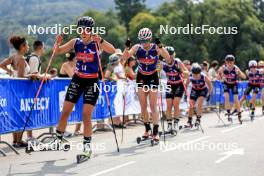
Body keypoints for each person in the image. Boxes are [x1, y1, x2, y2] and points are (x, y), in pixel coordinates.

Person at [53, 16, 116, 157]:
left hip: (92, 82)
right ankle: (58, 139)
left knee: (86, 115)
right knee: (65, 111)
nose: (83, 31)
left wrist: (100, 40)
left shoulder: (96, 42)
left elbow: (112, 50)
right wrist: (57, 43)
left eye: (86, 29)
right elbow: (57, 52)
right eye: (80, 29)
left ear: (91, 30)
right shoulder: (75, 42)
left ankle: (87, 147)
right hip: (77, 79)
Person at [123, 27, 171, 142]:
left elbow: (168, 59)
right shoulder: (137, 48)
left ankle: (155, 131)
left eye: (145, 41)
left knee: (153, 106)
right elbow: (124, 58)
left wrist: (161, 46)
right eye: (141, 40)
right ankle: (147, 129)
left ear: (150, 39)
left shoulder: (155, 48)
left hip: (153, 77)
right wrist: (127, 47)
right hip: (141, 77)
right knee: (143, 106)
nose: (143, 43)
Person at [0, 35, 30, 147]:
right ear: (22, 46)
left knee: (15, 113)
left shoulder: (13, 57)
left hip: (13, 88)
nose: (28, 47)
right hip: (20, 89)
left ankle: (15, 140)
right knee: (21, 114)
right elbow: (22, 76)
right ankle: (19, 140)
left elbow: (1, 65)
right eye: (26, 45)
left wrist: (11, 72)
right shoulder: (21, 59)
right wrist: (32, 75)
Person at [162, 46, 188, 132]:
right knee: (168, 105)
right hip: (170, 84)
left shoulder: (177, 62)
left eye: (171, 55)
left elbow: (187, 74)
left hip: (179, 84)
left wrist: (180, 71)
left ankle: (176, 123)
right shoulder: (163, 63)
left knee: (176, 104)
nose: (170, 57)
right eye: (168, 55)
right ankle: (169, 124)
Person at [217, 55, 246, 124]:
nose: (230, 64)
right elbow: (218, 77)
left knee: (236, 100)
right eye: (228, 62)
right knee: (226, 97)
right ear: (226, 62)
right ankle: (229, 113)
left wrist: (239, 73)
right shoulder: (223, 68)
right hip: (226, 84)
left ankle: (239, 114)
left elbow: (244, 77)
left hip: (234, 84)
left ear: (233, 62)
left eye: (231, 62)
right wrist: (221, 76)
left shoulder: (236, 68)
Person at [105, 53, 126, 128]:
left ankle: (117, 121)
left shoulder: (116, 66)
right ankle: (115, 122)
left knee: (117, 103)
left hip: (116, 86)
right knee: (116, 103)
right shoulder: (111, 66)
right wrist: (115, 79)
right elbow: (107, 76)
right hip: (114, 87)